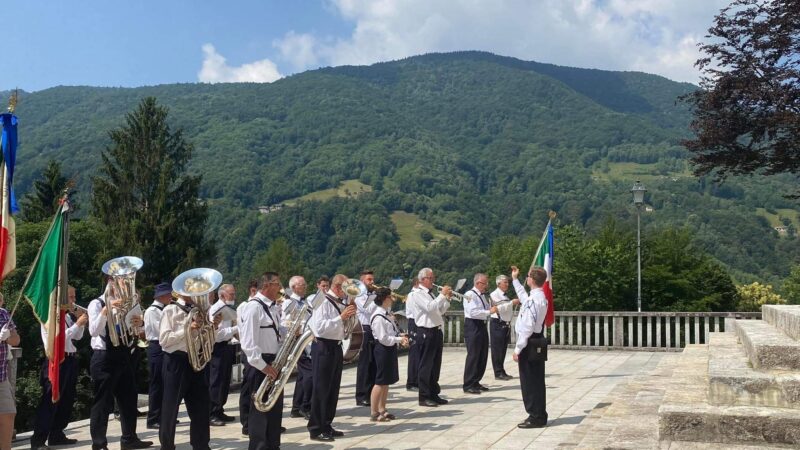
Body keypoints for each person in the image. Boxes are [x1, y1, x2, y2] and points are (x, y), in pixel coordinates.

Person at [88, 279, 152, 450]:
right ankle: (99, 444)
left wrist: (140, 324)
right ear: (111, 282)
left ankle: (129, 439)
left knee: (129, 399)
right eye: (122, 282)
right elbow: (93, 331)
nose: (125, 286)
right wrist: (106, 310)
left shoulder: (129, 304)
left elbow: (136, 333)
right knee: (102, 403)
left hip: (124, 355)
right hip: (104, 358)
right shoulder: (96, 303)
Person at [158, 289, 218, 450]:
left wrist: (213, 327)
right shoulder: (171, 309)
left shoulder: (201, 311)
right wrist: (187, 330)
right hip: (176, 361)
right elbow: (164, 340)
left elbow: (206, 338)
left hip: (196, 360)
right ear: (181, 292)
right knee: (171, 406)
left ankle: (201, 444)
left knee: (201, 405)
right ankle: (167, 445)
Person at [31, 286, 86, 449]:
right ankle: (38, 440)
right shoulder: (50, 316)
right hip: (56, 360)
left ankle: (57, 433)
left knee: (66, 399)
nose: (73, 300)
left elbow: (77, 336)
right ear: (61, 298)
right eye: (70, 297)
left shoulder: (67, 316)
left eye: (74, 297)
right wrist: (78, 324)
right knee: (50, 400)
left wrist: (80, 323)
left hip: (69, 359)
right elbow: (57, 339)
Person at [306, 274, 357, 442]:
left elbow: (348, 327)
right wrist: (341, 317)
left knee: (332, 389)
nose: (347, 293)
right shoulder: (323, 301)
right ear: (336, 287)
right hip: (323, 346)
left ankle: (326, 424)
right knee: (321, 389)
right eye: (345, 289)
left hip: (335, 346)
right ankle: (316, 428)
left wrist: (350, 314)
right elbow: (319, 328)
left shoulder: (339, 302)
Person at [241, 272, 285, 450]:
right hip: (260, 365)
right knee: (259, 413)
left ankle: (273, 446)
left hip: (273, 362)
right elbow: (248, 343)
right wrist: (264, 366)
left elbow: (275, 333)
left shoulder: (272, 307)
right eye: (277, 284)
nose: (280, 288)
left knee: (274, 411)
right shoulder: (253, 308)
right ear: (266, 285)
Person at [511, 266, 549, 429]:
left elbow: (527, 326)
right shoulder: (540, 297)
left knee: (529, 381)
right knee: (537, 379)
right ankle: (539, 413)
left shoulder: (534, 300)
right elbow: (523, 297)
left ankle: (535, 415)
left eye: (527, 277)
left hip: (529, 342)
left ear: (532, 279)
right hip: (537, 339)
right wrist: (515, 280)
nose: (526, 279)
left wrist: (518, 349)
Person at [406, 268, 451, 407]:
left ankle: (433, 393)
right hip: (426, 331)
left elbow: (439, 311)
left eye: (433, 278)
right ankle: (424, 396)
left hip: (436, 330)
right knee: (426, 365)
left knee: (435, 365)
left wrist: (446, 300)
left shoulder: (429, 294)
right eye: (431, 278)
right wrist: (442, 295)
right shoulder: (416, 294)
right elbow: (430, 307)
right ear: (423, 279)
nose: (433, 281)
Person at [369, 288, 408, 422]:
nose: (392, 299)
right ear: (385, 299)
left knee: (386, 381)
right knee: (380, 381)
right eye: (390, 297)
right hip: (382, 349)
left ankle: (382, 409)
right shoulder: (378, 317)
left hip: (389, 349)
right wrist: (399, 340)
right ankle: (374, 412)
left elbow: (391, 333)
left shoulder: (387, 314)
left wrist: (400, 335)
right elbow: (383, 338)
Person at [208, 284, 239, 426]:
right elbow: (217, 335)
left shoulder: (226, 309)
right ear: (222, 296)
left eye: (233, 294)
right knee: (216, 380)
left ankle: (219, 409)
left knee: (225, 380)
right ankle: (212, 412)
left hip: (226, 346)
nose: (234, 297)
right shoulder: (216, 309)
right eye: (231, 294)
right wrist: (237, 328)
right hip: (218, 347)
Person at [282, 276, 312, 420]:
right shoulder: (288, 302)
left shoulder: (305, 301)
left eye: (305, 284)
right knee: (309, 375)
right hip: (296, 341)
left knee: (302, 376)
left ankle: (297, 407)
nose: (305, 286)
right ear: (294, 287)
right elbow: (283, 322)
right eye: (302, 284)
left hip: (306, 340)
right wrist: (294, 328)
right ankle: (306, 406)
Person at [462, 273, 497, 394]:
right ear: (477, 283)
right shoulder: (470, 295)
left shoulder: (482, 295)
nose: (486, 285)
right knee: (473, 355)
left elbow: (485, 308)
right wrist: (489, 311)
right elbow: (473, 312)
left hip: (481, 325)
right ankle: (468, 383)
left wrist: (491, 307)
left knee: (482, 354)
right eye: (485, 283)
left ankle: (476, 380)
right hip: (473, 325)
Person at [143, 282, 172, 430]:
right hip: (156, 347)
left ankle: (162, 415)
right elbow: (160, 330)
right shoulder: (152, 311)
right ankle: (153, 418)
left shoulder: (163, 309)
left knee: (164, 383)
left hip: (163, 347)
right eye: (169, 295)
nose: (171, 297)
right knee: (156, 383)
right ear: (162, 296)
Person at [489, 275, 520, 380]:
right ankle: (498, 372)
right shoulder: (494, 294)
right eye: (505, 282)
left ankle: (501, 370)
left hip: (505, 324)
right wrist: (512, 303)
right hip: (498, 323)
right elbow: (497, 309)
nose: (507, 284)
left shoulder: (505, 296)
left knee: (503, 349)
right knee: (497, 349)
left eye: (508, 282)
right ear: (498, 283)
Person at [238, 279, 257, 436]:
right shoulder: (244, 307)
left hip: (264, 351)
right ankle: (246, 422)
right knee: (249, 387)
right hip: (250, 351)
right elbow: (243, 331)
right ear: (253, 291)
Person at [355, 270, 377, 406]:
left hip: (373, 328)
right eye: (369, 279)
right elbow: (367, 309)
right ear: (362, 281)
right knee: (365, 364)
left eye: (372, 279)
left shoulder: (372, 295)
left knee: (373, 363)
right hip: (364, 329)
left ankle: (371, 393)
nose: (372, 282)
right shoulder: (359, 294)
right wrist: (378, 299)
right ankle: (361, 395)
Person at [0, 293, 19, 450]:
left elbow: (16, 339)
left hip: (1, 376)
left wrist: (8, 337)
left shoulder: (3, 313)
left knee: (8, 413)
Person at [405, 277, 420, 391]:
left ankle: (418, 379)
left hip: (418, 322)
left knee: (420, 353)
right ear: (416, 283)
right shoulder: (413, 295)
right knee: (414, 353)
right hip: (414, 322)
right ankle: (412, 381)